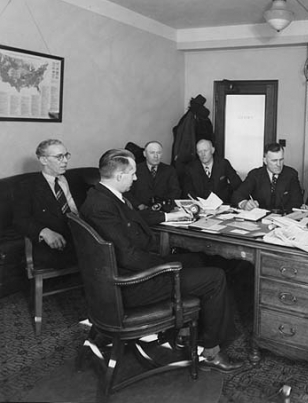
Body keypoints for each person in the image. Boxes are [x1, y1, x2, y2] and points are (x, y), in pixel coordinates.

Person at [80, 148, 243, 373]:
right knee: (216, 277)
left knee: (196, 259)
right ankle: (211, 352)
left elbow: (133, 219)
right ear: (119, 176)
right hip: (130, 284)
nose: (136, 178)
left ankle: (183, 332)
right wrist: (165, 267)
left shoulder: (101, 196)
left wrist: (171, 216)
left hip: (124, 272)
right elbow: (129, 256)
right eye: (133, 174)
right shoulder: (103, 207)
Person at [13, 139, 79, 269]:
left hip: (83, 235)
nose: (65, 161)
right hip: (58, 243)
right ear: (44, 160)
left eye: (66, 155)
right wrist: (44, 231)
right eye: (59, 157)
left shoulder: (74, 179)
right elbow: (20, 220)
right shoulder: (27, 187)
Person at [231, 142, 303, 213]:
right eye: (274, 161)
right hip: (259, 218)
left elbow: (297, 202)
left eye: (281, 160)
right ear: (265, 161)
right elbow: (237, 195)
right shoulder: (255, 175)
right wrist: (244, 204)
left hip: (284, 218)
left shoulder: (291, 174)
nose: (278, 164)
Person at [127, 141, 182, 210]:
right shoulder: (135, 169)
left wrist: (162, 205)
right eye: (152, 153)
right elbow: (127, 192)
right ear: (144, 154)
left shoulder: (169, 170)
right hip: (140, 211)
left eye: (158, 153)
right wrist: (138, 205)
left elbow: (175, 191)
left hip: (163, 210)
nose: (156, 156)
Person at [183, 139, 242, 203]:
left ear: (212, 150)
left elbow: (237, 184)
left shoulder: (223, 164)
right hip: (200, 207)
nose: (203, 154)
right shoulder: (190, 168)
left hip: (223, 205)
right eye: (200, 152)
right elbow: (188, 191)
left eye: (205, 151)